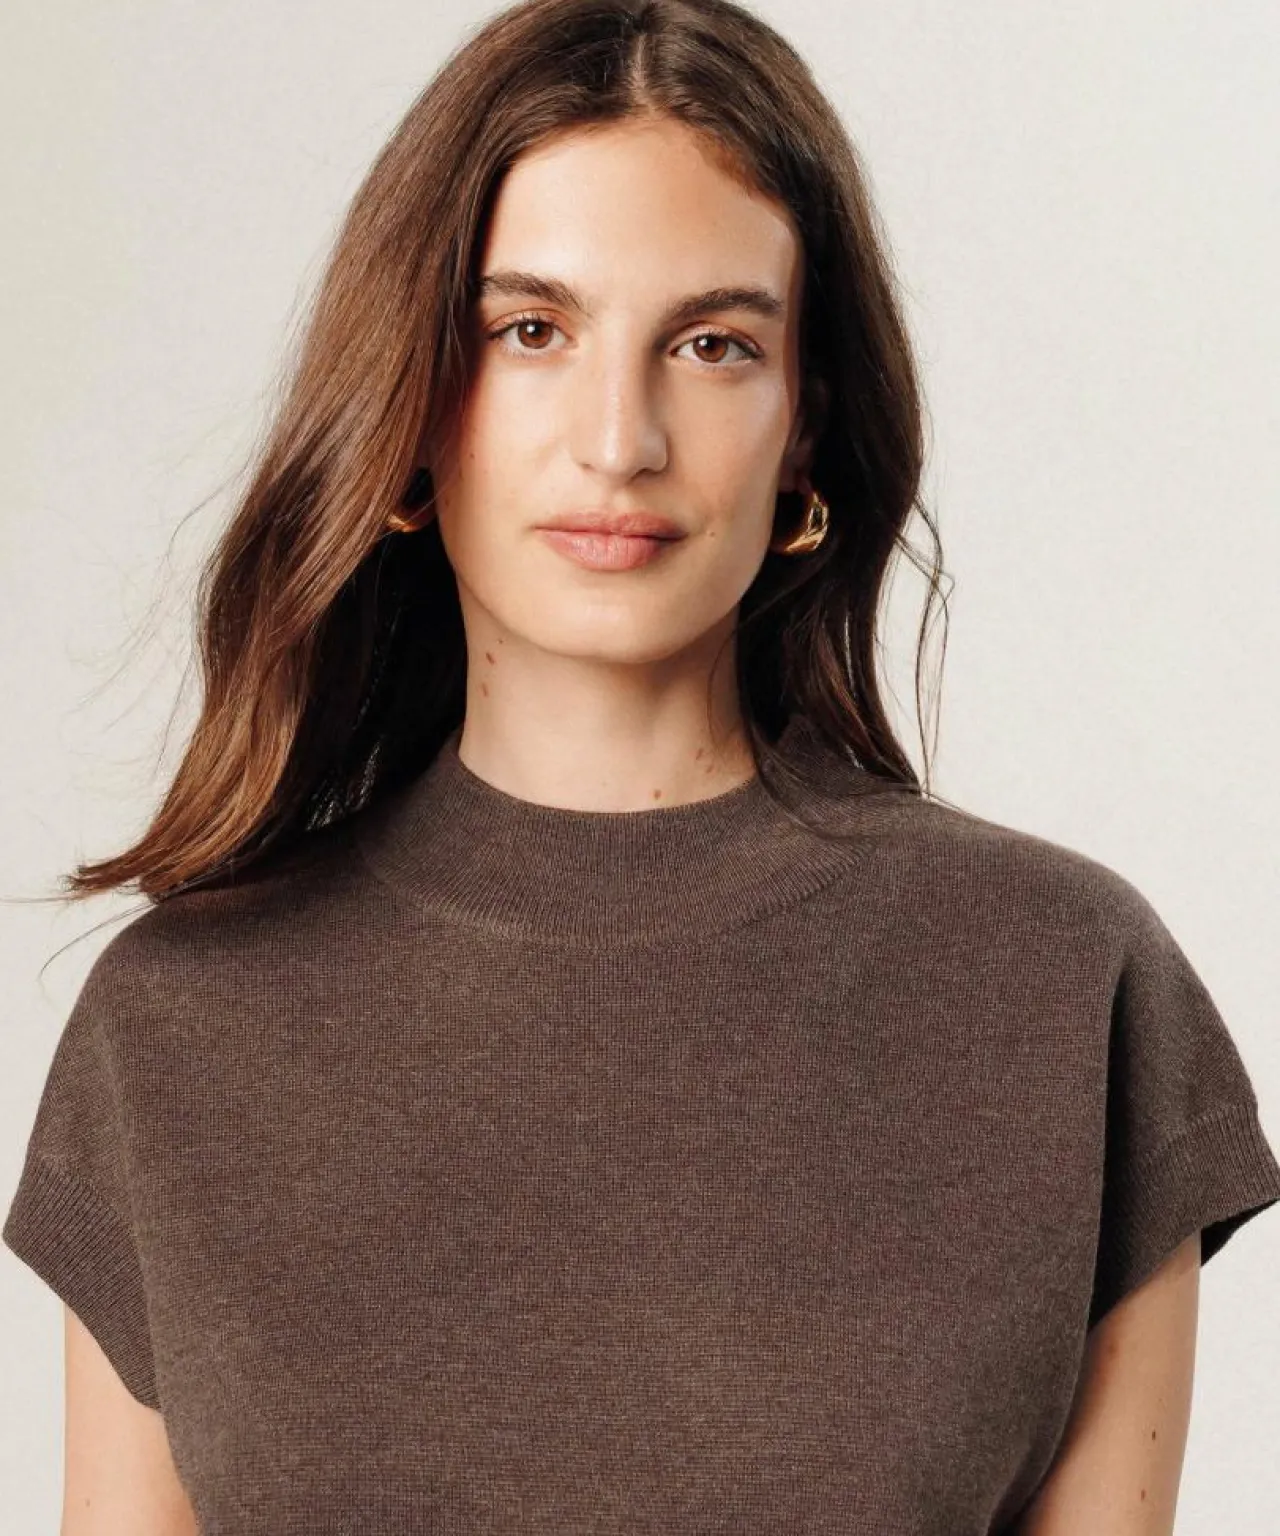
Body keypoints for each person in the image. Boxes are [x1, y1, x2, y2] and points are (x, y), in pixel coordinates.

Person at [5, 0, 1278, 1531]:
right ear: (412, 406)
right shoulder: (178, 1031)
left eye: (712, 344)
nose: (621, 440)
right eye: (530, 331)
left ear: (805, 425)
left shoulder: (1063, 988)